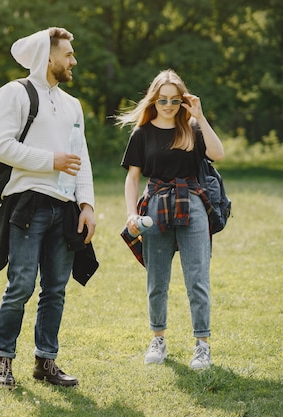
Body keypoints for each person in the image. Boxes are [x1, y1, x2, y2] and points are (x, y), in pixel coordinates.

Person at [0, 27, 97, 389]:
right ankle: (3, 361)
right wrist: (51, 160)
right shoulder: (13, 93)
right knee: (20, 284)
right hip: (28, 204)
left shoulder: (72, 104)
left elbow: (81, 158)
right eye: (68, 54)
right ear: (47, 58)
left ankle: (45, 362)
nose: (73, 61)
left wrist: (87, 204)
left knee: (56, 289)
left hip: (65, 209)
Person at [117, 69, 224, 370]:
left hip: (192, 205)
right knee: (157, 280)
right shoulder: (142, 133)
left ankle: (202, 346)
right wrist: (131, 213)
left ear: (183, 101)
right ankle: (158, 339)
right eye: (162, 100)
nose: (168, 105)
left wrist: (200, 116)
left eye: (175, 100)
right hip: (155, 207)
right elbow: (133, 178)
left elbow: (219, 153)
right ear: (154, 99)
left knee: (197, 279)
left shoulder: (192, 128)